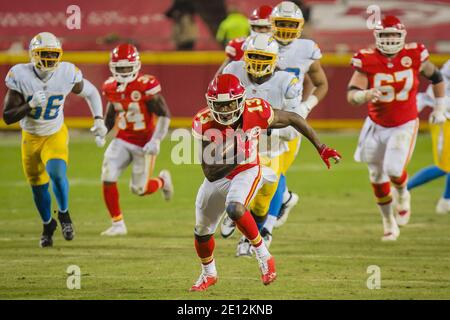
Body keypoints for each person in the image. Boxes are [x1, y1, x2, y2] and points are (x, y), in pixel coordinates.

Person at [190, 73, 340, 291]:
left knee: (234, 208)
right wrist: (238, 155)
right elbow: (211, 172)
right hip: (219, 175)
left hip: (248, 170)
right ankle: (208, 273)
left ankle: (264, 255)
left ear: (240, 100)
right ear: (210, 104)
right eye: (219, 105)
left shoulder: (256, 110)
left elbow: (293, 118)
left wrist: (321, 147)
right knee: (202, 231)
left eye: (229, 104)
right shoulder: (203, 122)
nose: (224, 111)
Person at [2, 32, 107, 247]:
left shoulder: (66, 72)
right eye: (44, 54)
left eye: (53, 54)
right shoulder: (20, 75)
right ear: (33, 55)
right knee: (38, 187)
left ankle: (65, 214)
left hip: (54, 133)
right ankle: (47, 224)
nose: (49, 58)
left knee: (57, 173)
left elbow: (92, 92)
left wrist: (98, 119)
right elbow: (7, 116)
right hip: (30, 137)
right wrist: (29, 105)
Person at [347, 16, 447, 240]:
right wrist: (363, 95)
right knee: (376, 173)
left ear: (402, 36)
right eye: (385, 35)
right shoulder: (367, 59)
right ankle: (388, 221)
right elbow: (351, 95)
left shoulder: (414, 55)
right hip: (375, 125)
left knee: (393, 169)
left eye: (394, 34)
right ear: (376, 37)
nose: (390, 39)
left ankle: (403, 193)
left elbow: (437, 77)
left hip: (404, 123)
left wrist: (439, 107)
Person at [100, 44, 173, 236]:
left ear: (136, 65)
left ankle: (163, 181)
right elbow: (110, 115)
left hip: (144, 142)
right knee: (108, 175)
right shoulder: (109, 87)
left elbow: (164, 115)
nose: (124, 71)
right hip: (122, 138)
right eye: (120, 67)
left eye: (127, 67)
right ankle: (118, 224)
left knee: (139, 189)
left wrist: (156, 140)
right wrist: (102, 131)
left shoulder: (145, 85)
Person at [408, 60, 450, 214]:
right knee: (444, 165)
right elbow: (436, 87)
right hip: (444, 118)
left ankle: (446, 201)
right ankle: (402, 189)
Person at [215, 5, 273, 76]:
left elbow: (219, 37)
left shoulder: (226, 22)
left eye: (267, 27)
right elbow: (220, 78)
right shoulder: (238, 46)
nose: (263, 31)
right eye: (259, 27)